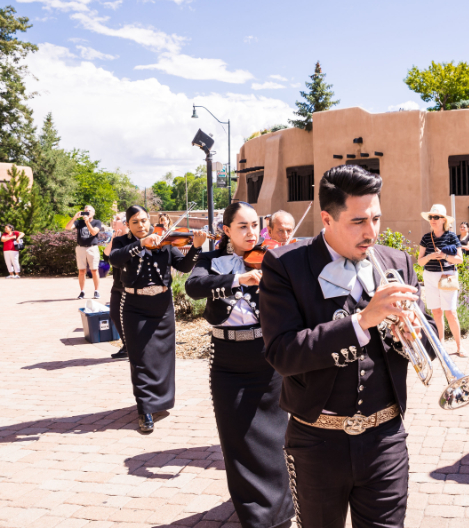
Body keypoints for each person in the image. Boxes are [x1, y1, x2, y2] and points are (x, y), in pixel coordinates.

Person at [258, 165, 437, 528]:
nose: (371, 232)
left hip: (385, 439)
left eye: (376, 218)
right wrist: (359, 323)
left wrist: (413, 333)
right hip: (316, 442)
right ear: (327, 218)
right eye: (358, 221)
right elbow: (282, 353)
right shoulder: (285, 265)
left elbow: (429, 333)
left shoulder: (396, 262)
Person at [186, 202, 293, 528]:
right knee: (236, 438)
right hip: (228, 363)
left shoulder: (272, 257)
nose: (251, 233)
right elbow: (193, 287)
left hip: (266, 357)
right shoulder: (211, 261)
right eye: (242, 226)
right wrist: (237, 278)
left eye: (254, 226)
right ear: (227, 230)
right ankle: (254, 516)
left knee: (275, 438)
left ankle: (281, 511)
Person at [109, 206, 205, 433]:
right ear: (129, 224)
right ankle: (145, 410)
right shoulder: (124, 242)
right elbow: (114, 259)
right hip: (135, 307)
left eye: (143, 220)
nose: (141, 225)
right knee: (140, 358)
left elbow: (184, 266)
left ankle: (158, 402)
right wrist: (141, 244)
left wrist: (197, 248)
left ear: (149, 220)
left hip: (162, 307)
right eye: (135, 222)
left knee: (163, 356)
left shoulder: (165, 241)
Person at [418, 204, 465, 357]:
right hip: (430, 276)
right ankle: (441, 344)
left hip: (447, 276)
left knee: (451, 312)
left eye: (436, 217)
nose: (433, 220)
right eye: (431, 217)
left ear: (443, 220)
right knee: (436, 312)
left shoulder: (451, 236)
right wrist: (431, 256)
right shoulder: (426, 237)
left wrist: (444, 256)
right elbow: (420, 262)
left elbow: (459, 260)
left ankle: (459, 347)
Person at [103, 213, 130, 360]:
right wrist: (113, 239)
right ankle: (127, 346)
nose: (114, 222)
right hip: (117, 284)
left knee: (129, 317)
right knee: (114, 314)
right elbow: (106, 255)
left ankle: (133, 347)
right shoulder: (117, 240)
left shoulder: (133, 240)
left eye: (117, 220)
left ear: (126, 223)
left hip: (129, 285)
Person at [66, 205, 103, 299]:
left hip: (92, 248)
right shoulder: (79, 222)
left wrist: (87, 223)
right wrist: (74, 217)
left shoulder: (97, 222)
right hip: (81, 248)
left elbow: (94, 232)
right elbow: (68, 227)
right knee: (81, 271)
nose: (87, 212)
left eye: (89, 211)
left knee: (94, 270)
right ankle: (82, 291)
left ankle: (96, 291)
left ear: (93, 213)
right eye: (85, 211)